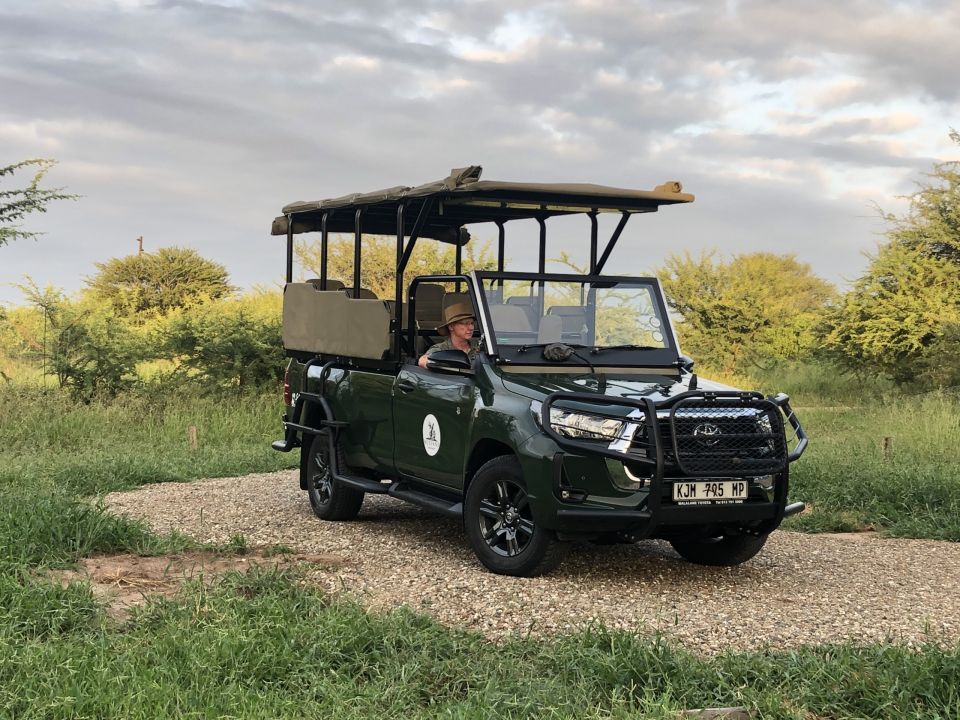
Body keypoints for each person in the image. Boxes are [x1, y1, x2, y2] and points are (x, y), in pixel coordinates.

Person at [418, 300, 477, 368]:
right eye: (466, 323)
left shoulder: (480, 348)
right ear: (451, 327)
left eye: (472, 323)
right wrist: (444, 367)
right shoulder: (441, 349)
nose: (471, 328)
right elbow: (422, 361)